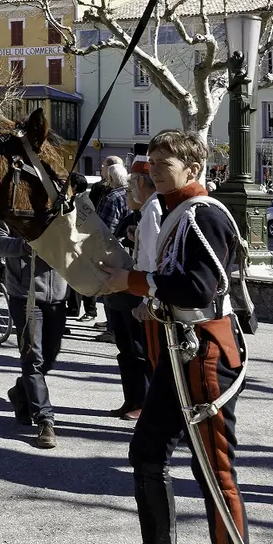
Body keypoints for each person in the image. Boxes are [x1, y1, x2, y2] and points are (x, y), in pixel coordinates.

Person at [100, 129, 256, 544]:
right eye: (152, 161)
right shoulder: (175, 213)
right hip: (179, 352)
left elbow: (199, 287)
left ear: (193, 168)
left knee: (214, 471)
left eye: (166, 162)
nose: (153, 168)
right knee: (146, 452)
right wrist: (151, 302)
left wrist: (135, 282)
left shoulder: (204, 214)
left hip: (206, 354)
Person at [0, 222, 68, 449]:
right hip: (25, 295)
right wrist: (26, 246)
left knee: (50, 357)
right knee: (33, 356)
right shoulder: (9, 206)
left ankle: (20, 391)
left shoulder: (63, 205)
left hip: (59, 294)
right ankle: (45, 419)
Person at [104, 147, 159, 419]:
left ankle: (144, 403)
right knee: (126, 351)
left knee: (140, 352)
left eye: (129, 191)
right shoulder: (130, 217)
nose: (126, 196)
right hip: (119, 293)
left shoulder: (154, 214)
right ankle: (132, 399)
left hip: (136, 295)